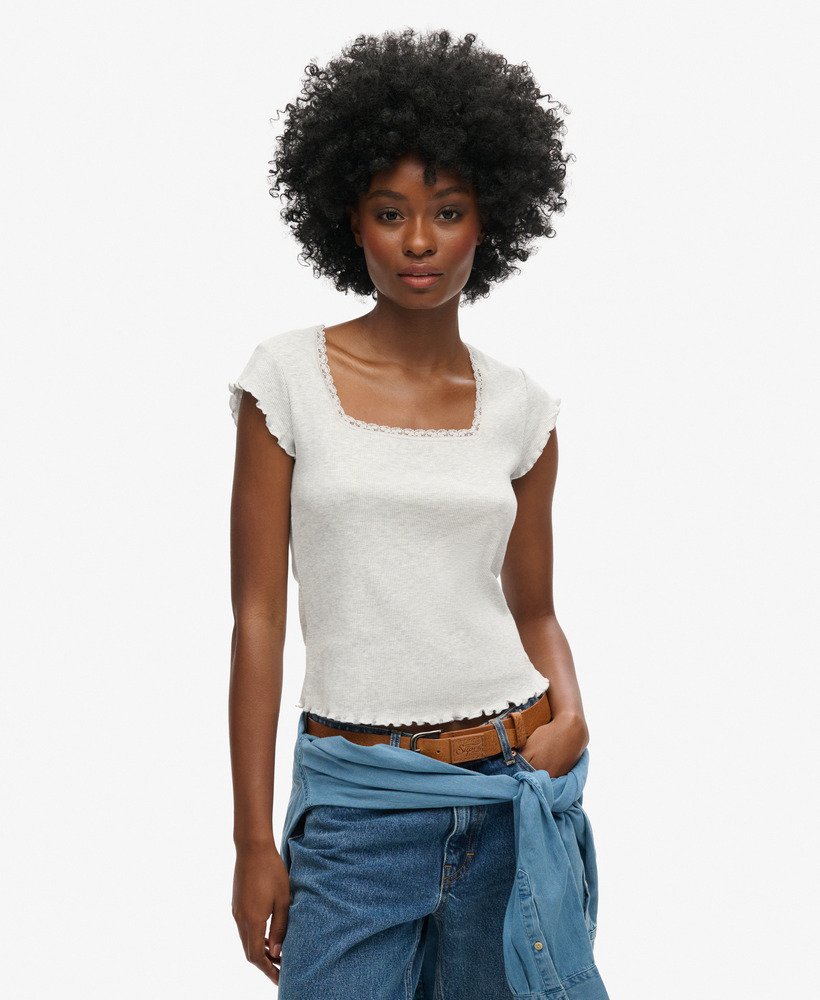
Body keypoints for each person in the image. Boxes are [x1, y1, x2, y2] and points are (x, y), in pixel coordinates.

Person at [228, 27, 609, 1000]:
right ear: (348, 219)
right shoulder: (287, 380)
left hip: (512, 792)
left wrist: (572, 716)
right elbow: (258, 619)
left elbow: (534, 610)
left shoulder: (524, 410)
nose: (419, 241)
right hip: (356, 808)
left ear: (489, 219)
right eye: (389, 212)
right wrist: (251, 841)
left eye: (447, 211)